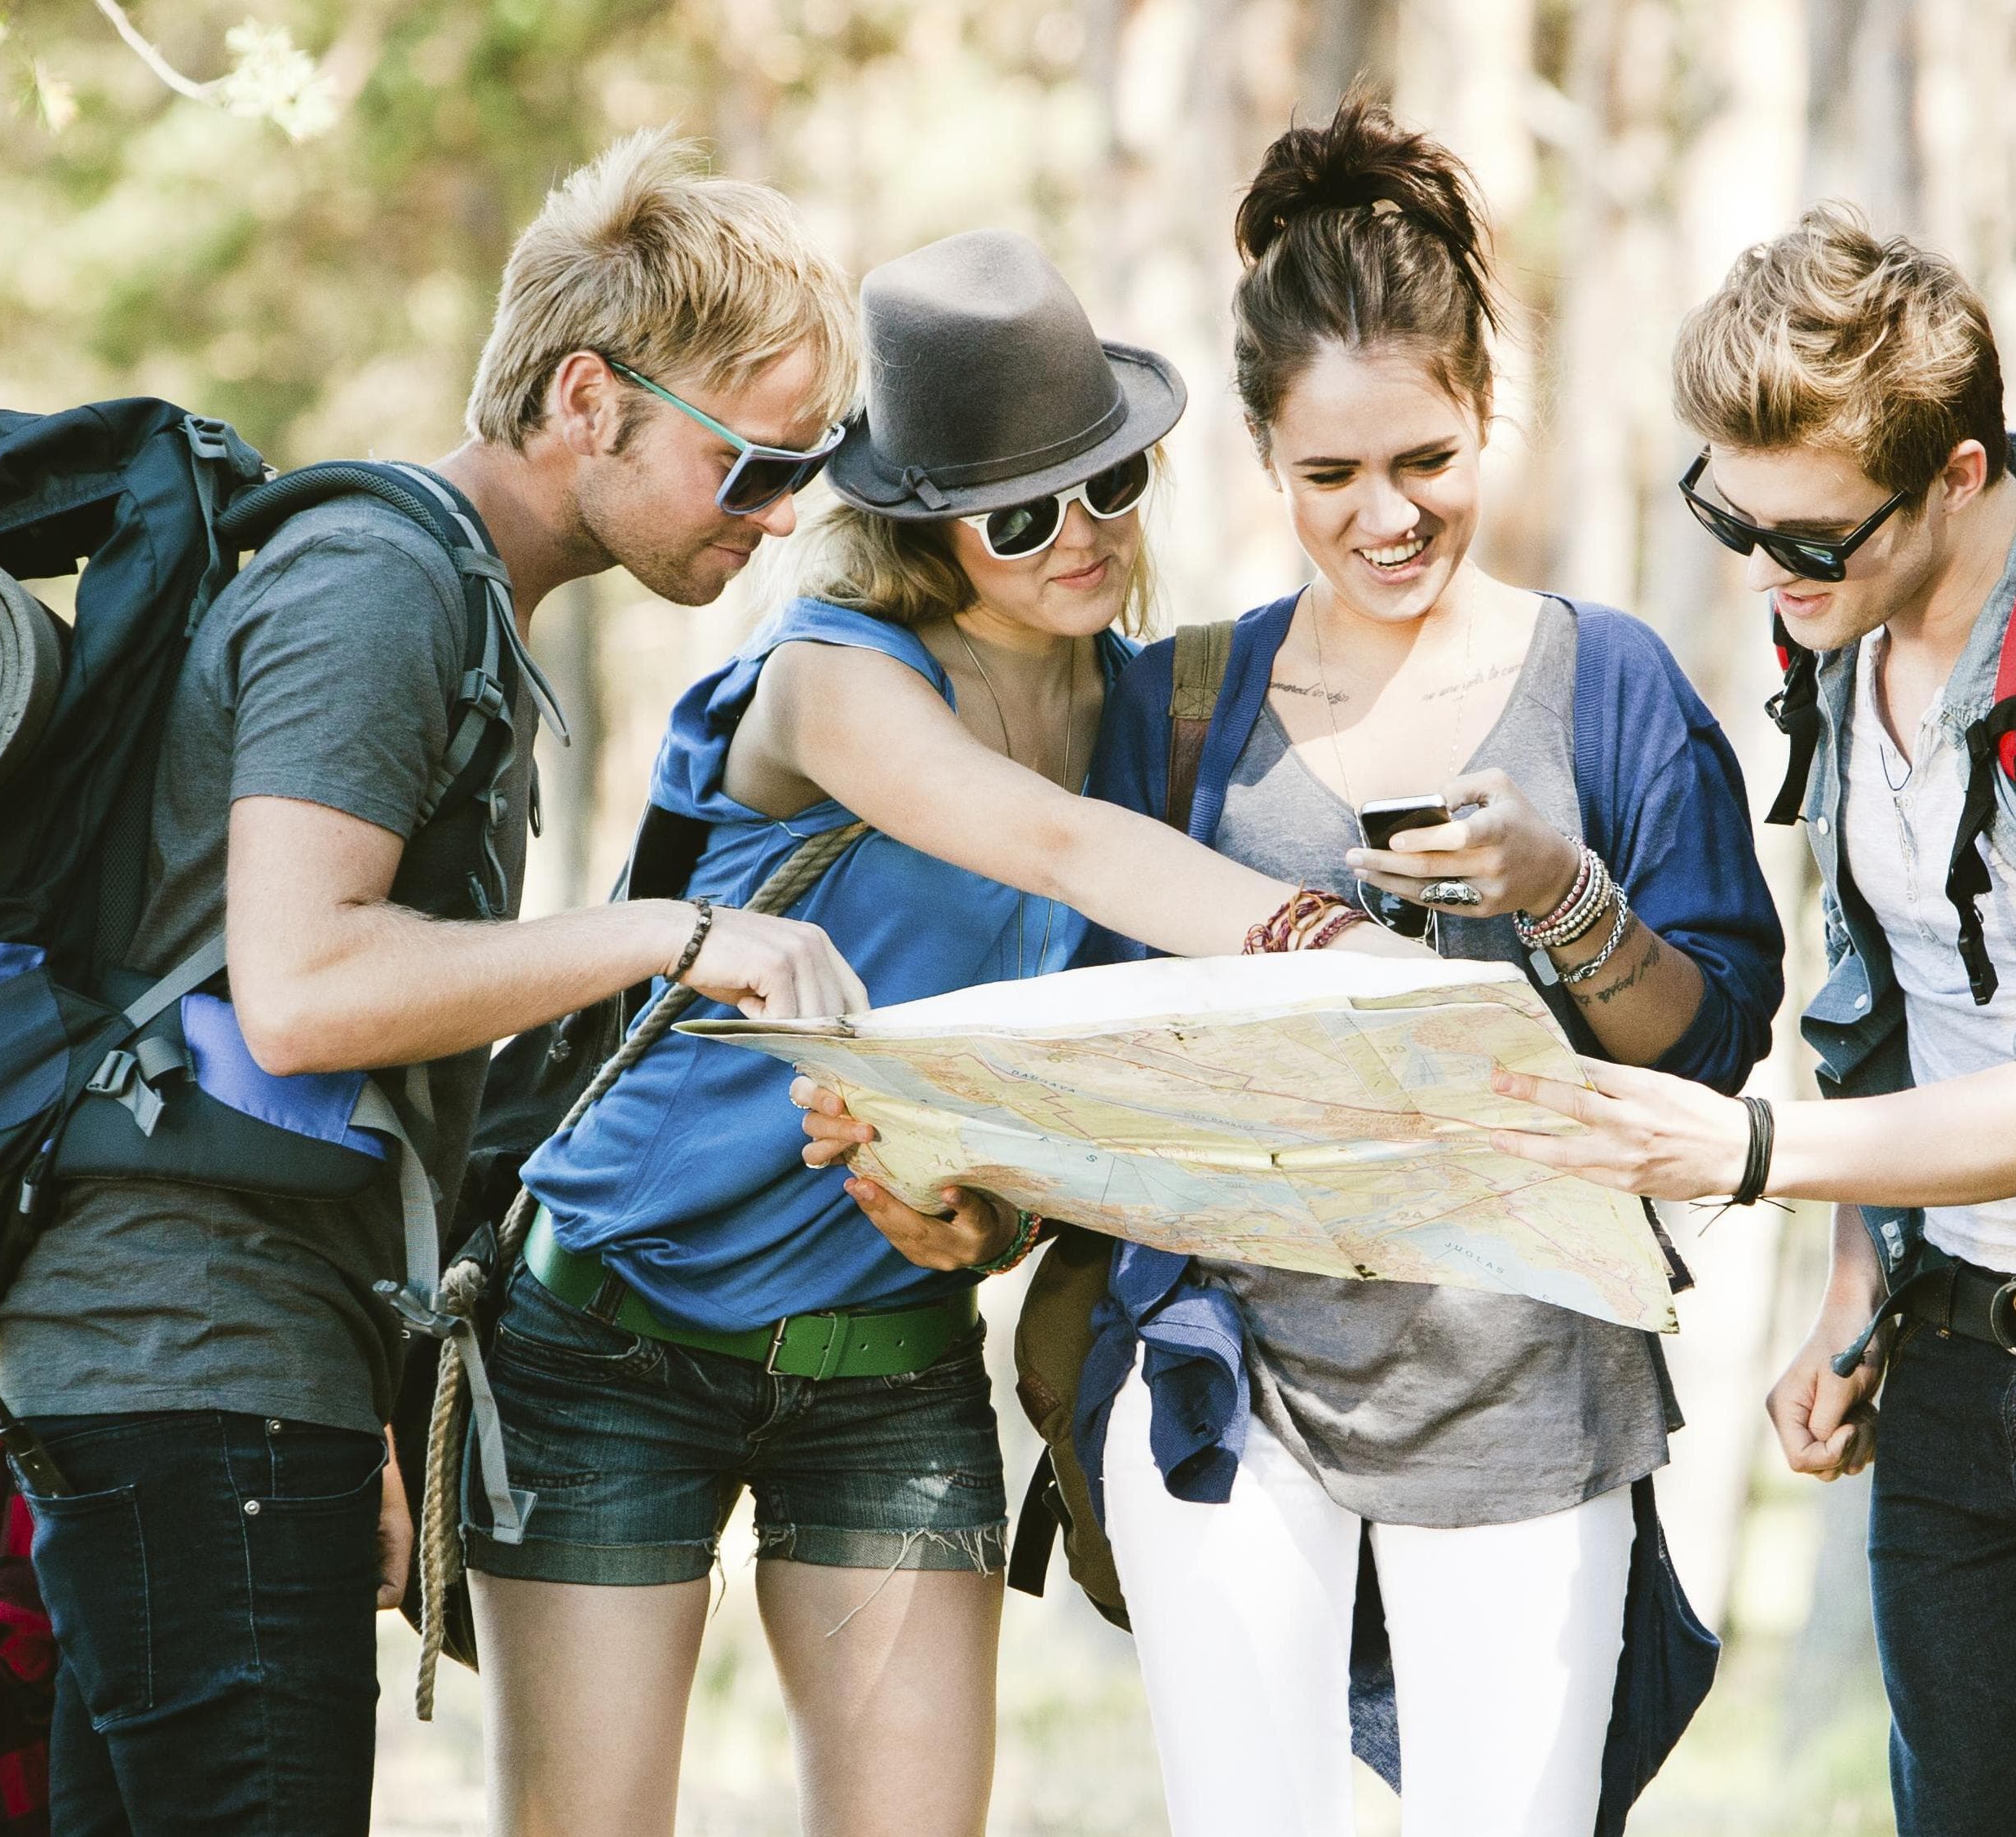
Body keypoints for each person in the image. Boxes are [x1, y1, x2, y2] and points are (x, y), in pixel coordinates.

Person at [0, 133, 874, 1837]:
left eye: (802, 479)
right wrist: (670, 936)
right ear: (587, 401)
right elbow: (303, 986)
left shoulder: (463, 612)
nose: (772, 523)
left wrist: (366, 1410)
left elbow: (326, 1072)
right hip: (186, 1367)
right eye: (749, 465)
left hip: (244, 1367)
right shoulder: (381, 584)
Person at [473, 227, 1413, 1837]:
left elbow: (1084, 1068)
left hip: (885, 1361)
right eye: (1024, 514)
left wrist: (985, 1211)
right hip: (616, 1338)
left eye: (1110, 485)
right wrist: (1342, 954)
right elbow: (1053, 850)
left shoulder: (1132, 718)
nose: (1083, 538)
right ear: (921, 529)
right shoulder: (833, 680)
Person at [1487, 207, 2016, 1836]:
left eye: (1812, 538)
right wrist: (1851, 1286)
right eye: (1732, 519)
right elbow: (1884, 987)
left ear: (1962, 474)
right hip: (1961, 1350)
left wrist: (1755, 1154)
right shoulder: (1841, 627)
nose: (1766, 572)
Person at [1065, 100, 1783, 1837]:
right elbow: (1091, 1022)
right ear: (1263, 461)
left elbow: (1707, 1058)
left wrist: (1562, 896)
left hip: (1528, 1376)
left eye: (1426, 463)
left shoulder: (1604, 683)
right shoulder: (1175, 703)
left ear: (1487, 421)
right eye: (1331, 477)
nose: (1385, 517)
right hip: (1222, 1365)